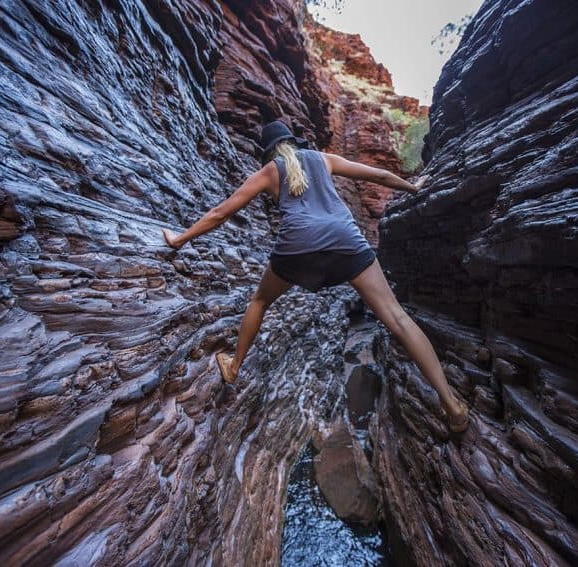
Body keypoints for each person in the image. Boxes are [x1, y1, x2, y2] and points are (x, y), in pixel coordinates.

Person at [163, 120, 470, 433]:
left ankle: (234, 366)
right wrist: (413, 187)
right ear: (295, 143)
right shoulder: (323, 159)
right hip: (346, 243)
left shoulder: (270, 171)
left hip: (297, 248)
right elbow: (376, 174)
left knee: (260, 300)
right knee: (398, 318)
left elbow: (221, 213)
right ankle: (452, 405)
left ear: (269, 151)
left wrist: (180, 239)